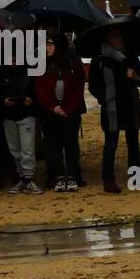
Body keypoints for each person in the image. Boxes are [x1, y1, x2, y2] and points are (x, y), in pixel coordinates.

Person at [87, 24, 140, 194]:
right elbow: (93, 84)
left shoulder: (130, 56)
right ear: (107, 38)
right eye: (114, 36)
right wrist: (104, 97)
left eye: (119, 36)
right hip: (111, 106)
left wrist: (134, 76)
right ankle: (108, 179)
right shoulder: (99, 59)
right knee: (111, 143)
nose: (117, 39)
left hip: (130, 103)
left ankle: (135, 178)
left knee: (133, 143)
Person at [34, 32, 86, 193]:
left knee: (71, 143)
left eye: (50, 44)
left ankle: (72, 175)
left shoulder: (73, 63)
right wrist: (53, 106)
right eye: (45, 44)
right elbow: (39, 87)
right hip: (49, 111)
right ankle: (55, 175)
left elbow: (78, 86)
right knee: (52, 144)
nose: (46, 48)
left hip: (70, 110)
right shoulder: (41, 64)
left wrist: (68, 108)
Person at [0, 59, 43, 194]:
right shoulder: (0, 72)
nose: (13, 60)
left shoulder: (29, 71)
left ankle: (28, 178)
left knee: (27, 148)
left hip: (27, 114)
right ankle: (22, 178)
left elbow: (37, 91)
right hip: (8, 116)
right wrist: (2, 101)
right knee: (15, 149)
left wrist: (31, 101)